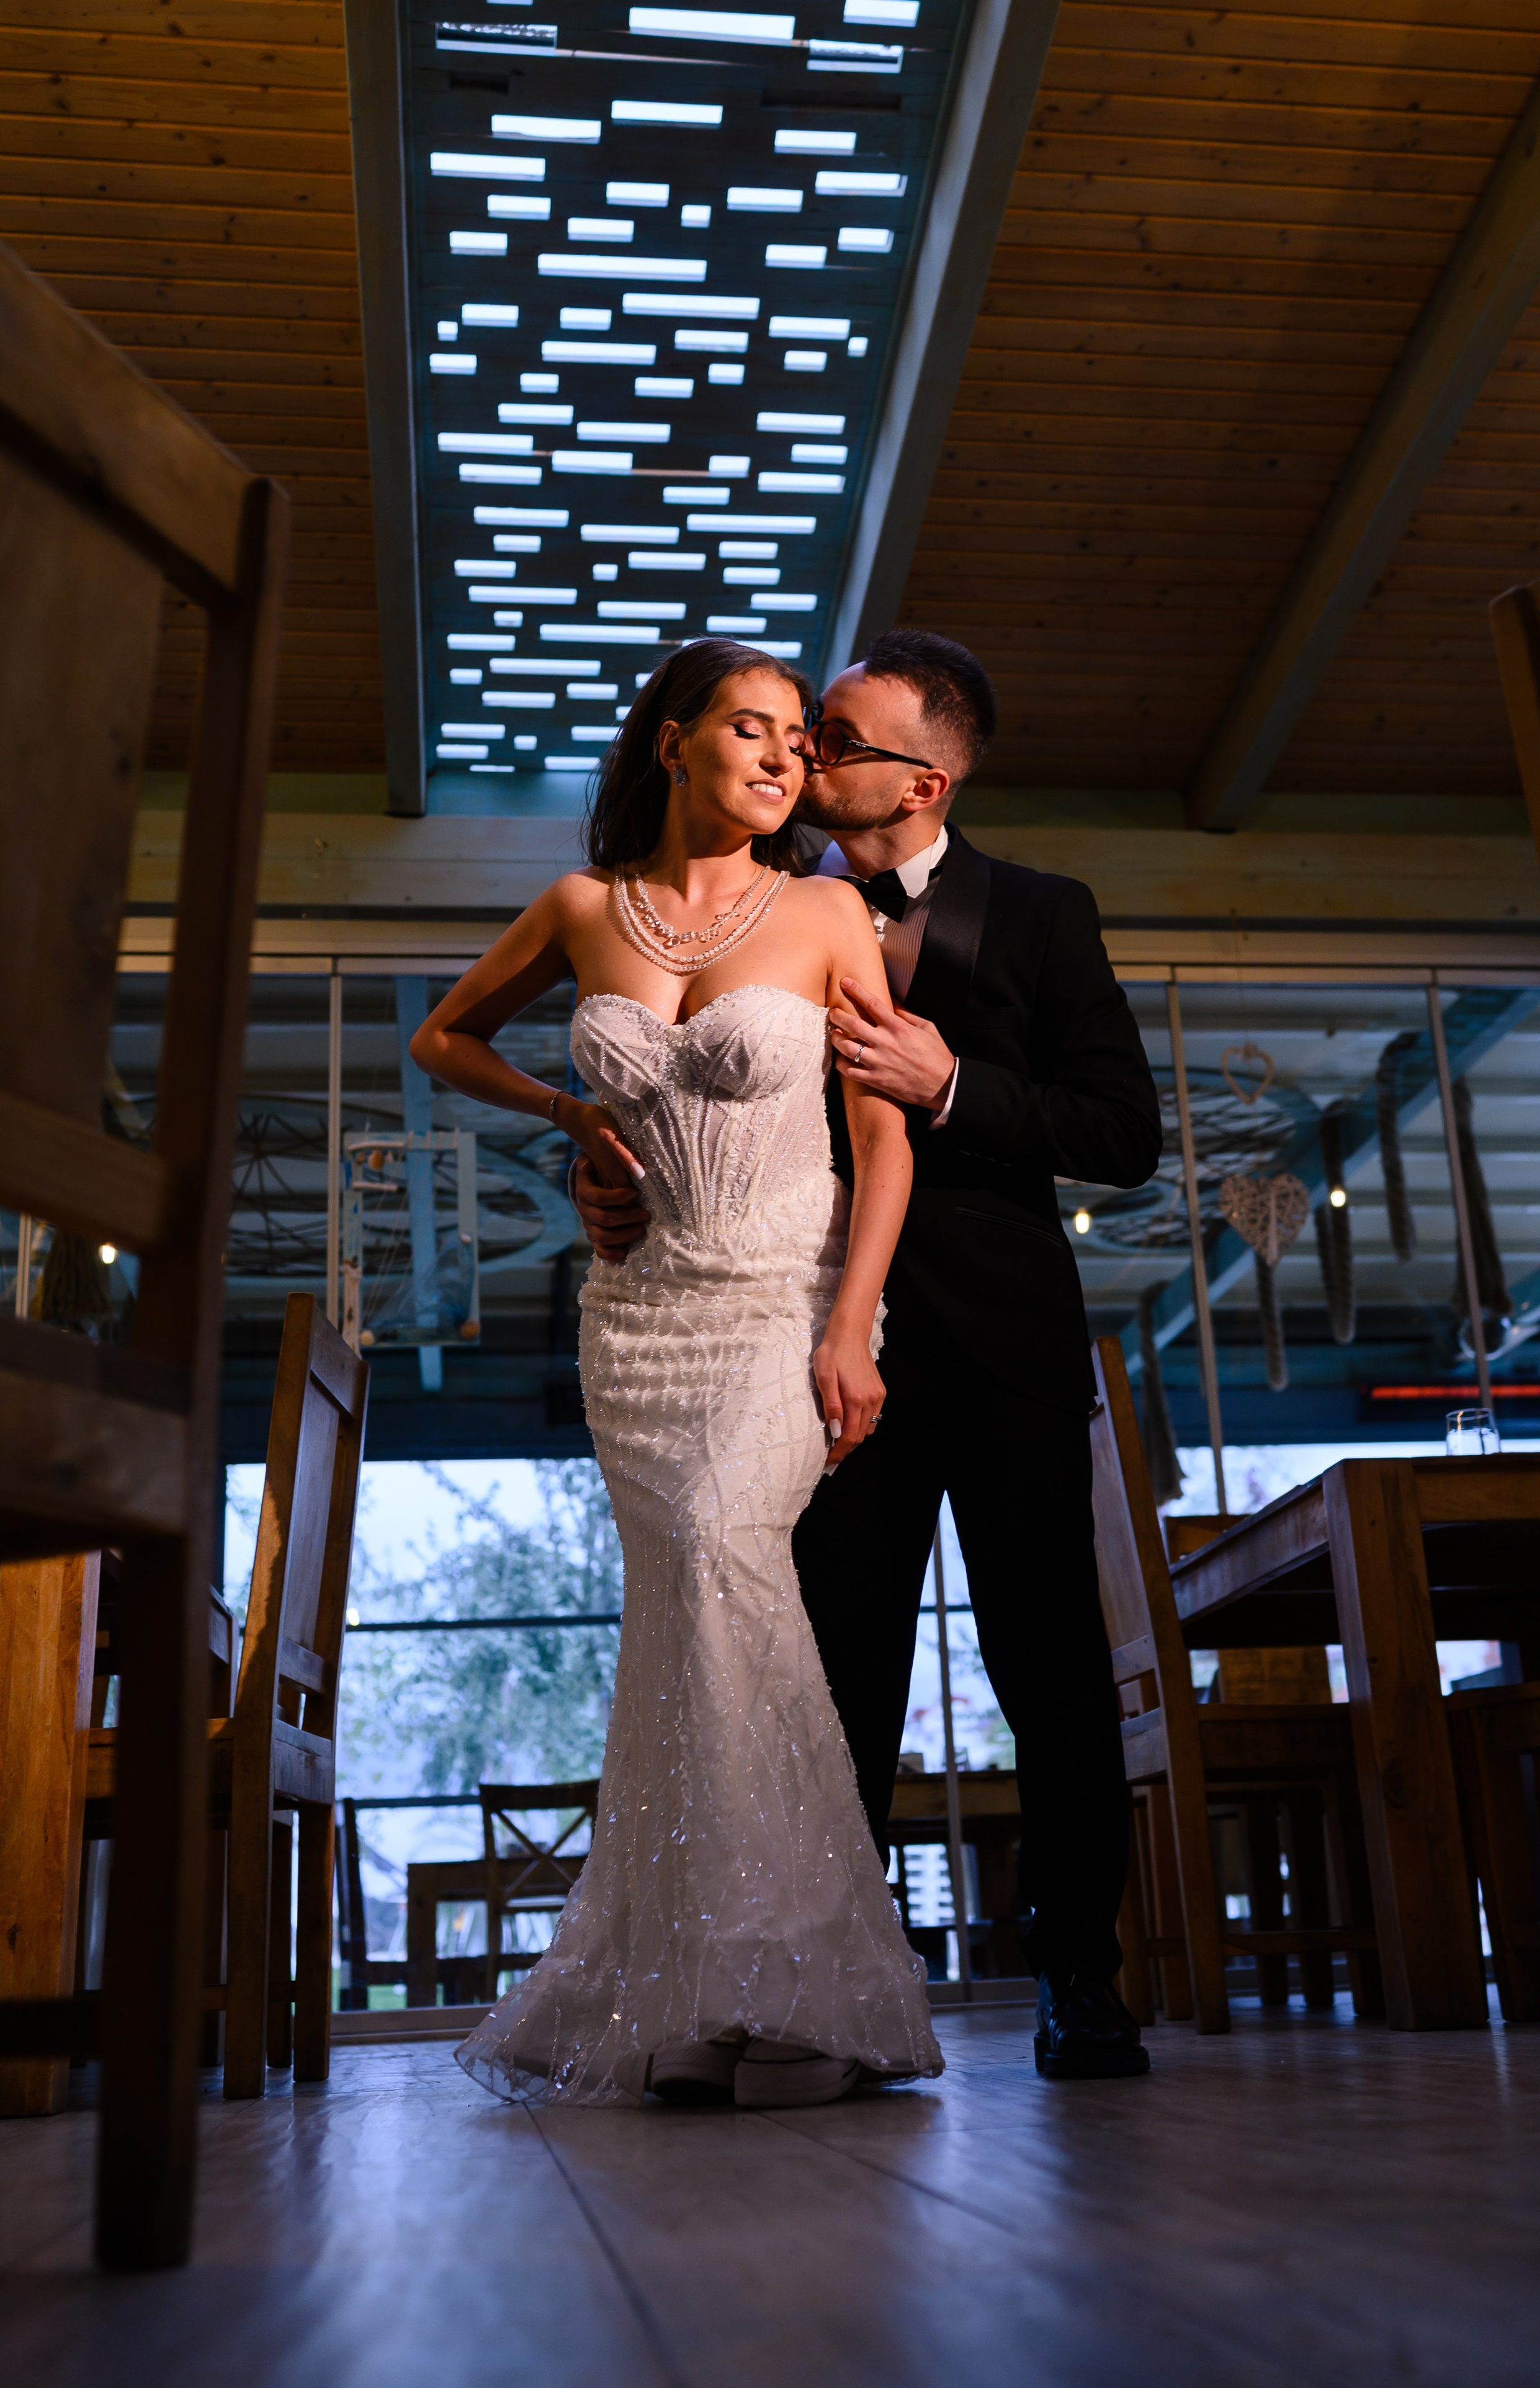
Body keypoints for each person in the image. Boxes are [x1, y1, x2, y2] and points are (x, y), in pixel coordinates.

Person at [576, 629, 1164, 2081]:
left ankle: (1077, 1975)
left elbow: (1121, 1139)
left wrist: (954, 1083)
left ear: (925, 778)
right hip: (804, 1339)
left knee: (1049, 1664)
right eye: (797, 734)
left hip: (998, 1338)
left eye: (836, 740)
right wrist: (609, 1168)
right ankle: (833, 1983)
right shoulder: (756, 909)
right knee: (831, 1673)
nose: (804, 757)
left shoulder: (1041, 912)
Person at [409, 639, 942, 2109]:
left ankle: (805, 1985)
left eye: (796, 740)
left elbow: (884, 1134)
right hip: (636, 1316)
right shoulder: (585, 908)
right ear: (669, 742)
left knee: (726, 1558)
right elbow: (442, 1036)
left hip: (781, 1305)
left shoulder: (831, 909)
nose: (785, 759)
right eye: (751, 730)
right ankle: (701, 1991)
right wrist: (571, 1119)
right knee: (676, 1626)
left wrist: (852, 1325)